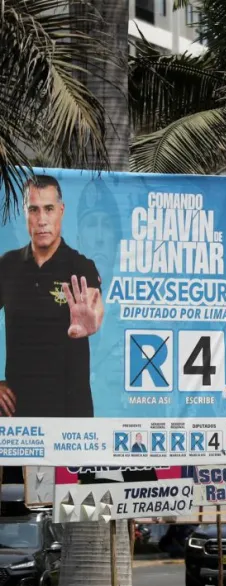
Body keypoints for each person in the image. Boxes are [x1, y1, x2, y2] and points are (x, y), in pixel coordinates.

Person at [0, 175, 104, 418]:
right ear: (25, 213)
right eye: (34, 210)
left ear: (61, 210)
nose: (42, 220)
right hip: (18, 413)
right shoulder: (7, 266)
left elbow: (95, 307)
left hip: (69, 412)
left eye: (49, 209)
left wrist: (93, 321)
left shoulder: (80, 266)